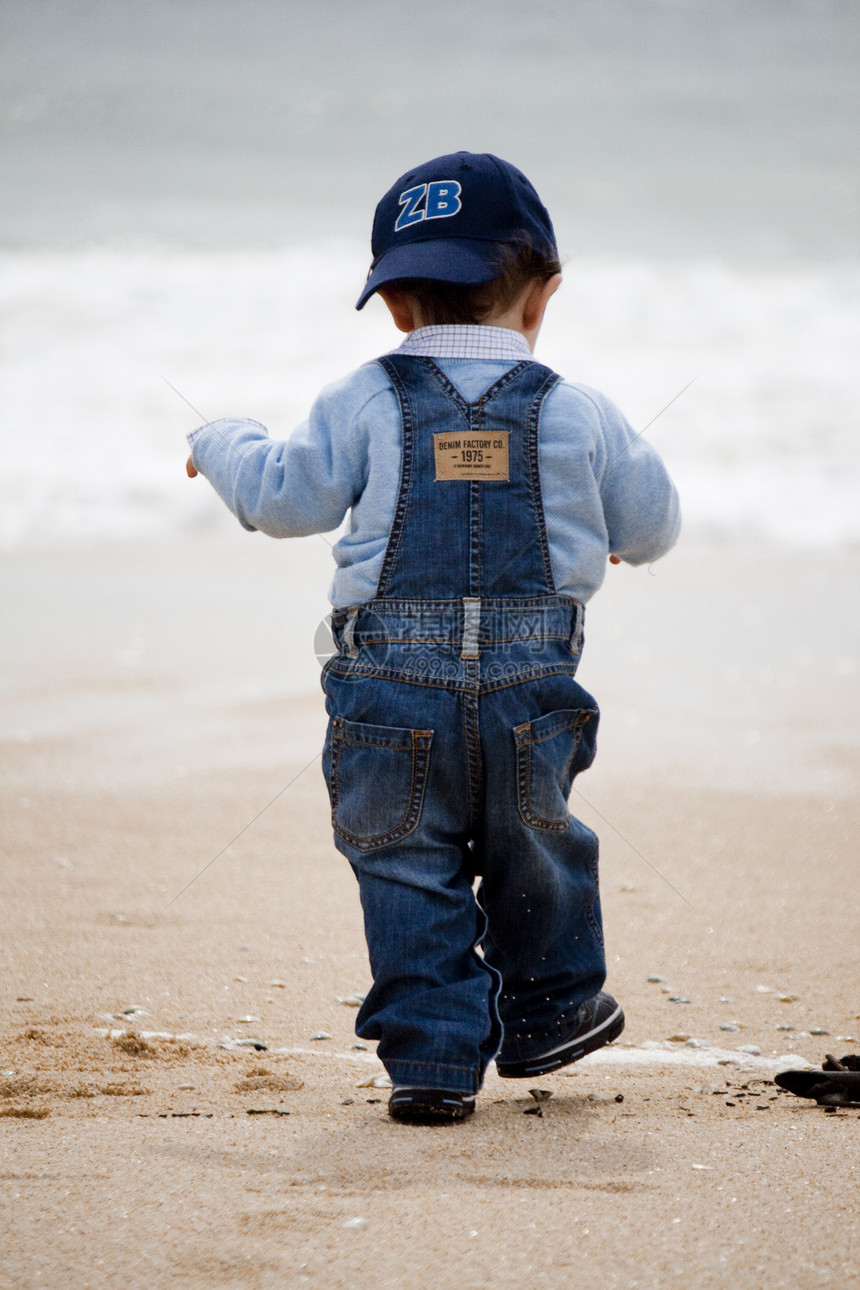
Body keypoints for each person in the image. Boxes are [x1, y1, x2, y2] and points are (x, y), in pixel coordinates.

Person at [186, 152, 680, 1124]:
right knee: (535, 838)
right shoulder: (576, 411)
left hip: (386, 695)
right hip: (530, 692)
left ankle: (433, 1063)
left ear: (396, 307)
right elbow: (652, 524)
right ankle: (549, 1008)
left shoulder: (362, 397)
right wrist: (606, 536)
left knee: (403, 862)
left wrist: (220, 439)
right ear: (541, 298)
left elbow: (283, 500)